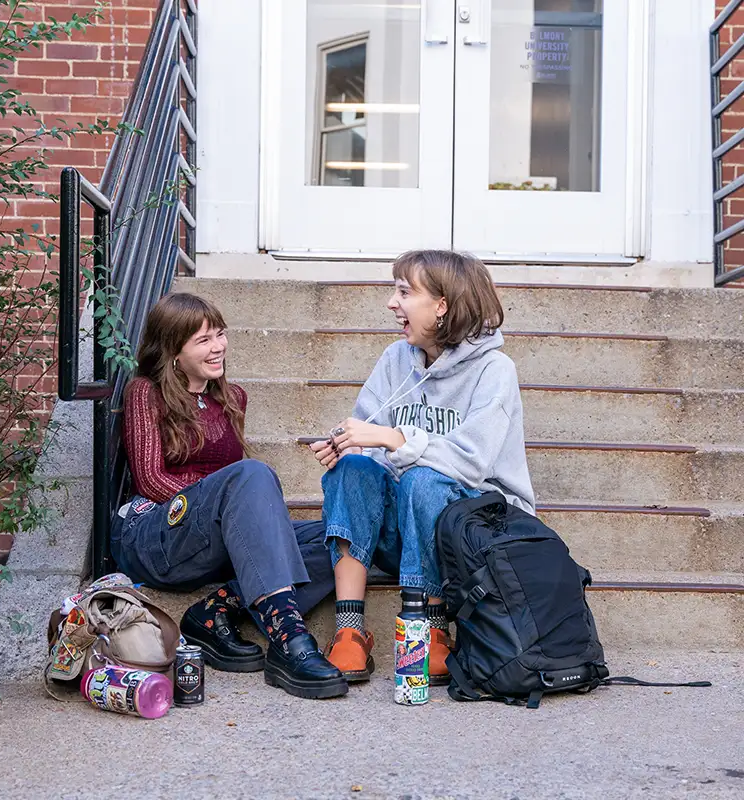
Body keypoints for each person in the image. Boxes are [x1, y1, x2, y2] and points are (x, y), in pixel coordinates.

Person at [310, 250, 535, 686]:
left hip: (475, 535)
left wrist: (396, 438)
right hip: (410, 530)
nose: (392, 303)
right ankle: (350, 632)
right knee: (353, 470)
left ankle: (432, 628)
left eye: (403, 292)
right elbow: (371, 440)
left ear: (442, 305)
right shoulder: (396, 359)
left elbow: (471, 463)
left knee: (425, 479)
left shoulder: (495, 369)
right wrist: (349, 448)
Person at [111, 292, 347, 700]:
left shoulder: (232, 397)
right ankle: (289, 637)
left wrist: (238, 516)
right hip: (154, 535)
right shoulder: (144, 392)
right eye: (203, 340)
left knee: (346, 534)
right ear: (172, 351)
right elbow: (150, 480)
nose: (218, 346)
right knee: (252, 474)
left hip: (210, 537)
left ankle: (217, 609)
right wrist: (218, 503)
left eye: (220, 334)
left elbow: (233, 496)